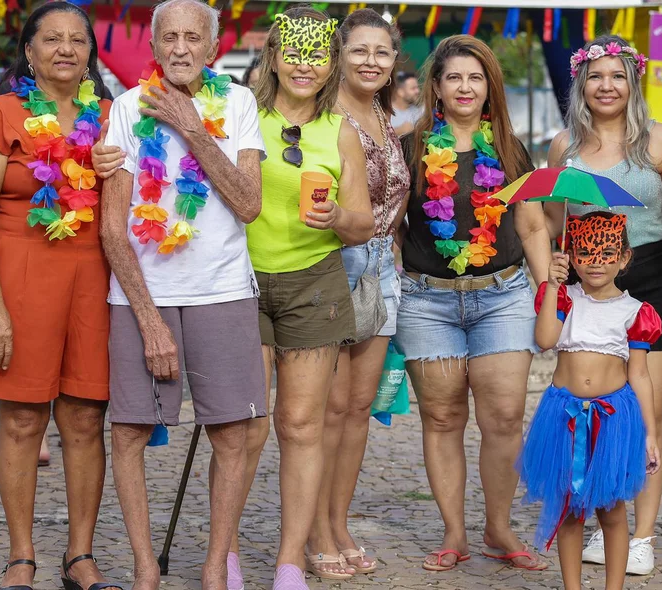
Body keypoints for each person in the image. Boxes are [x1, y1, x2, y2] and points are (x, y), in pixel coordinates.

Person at [96, 2, 267, 590]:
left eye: (193, 37)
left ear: (213, 48)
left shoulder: (239, 104)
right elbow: (113, 228)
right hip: (141, 296)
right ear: (154, 43)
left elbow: (248, 203)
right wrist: (149, 321)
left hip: (223, 290)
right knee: (129, 431)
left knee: (233, 432)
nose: (180, 48)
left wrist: (194, 127)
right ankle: (147, 568)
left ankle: (216, 566)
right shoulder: (124, 109)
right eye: (168, 37)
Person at [0, 3, 123, 589]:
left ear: (90, 55)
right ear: (28, 51)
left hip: (93, 285)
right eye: (51, 39)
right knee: (23, 421)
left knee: (83, 419)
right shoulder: (1, 114)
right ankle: (21, 557)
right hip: (19, 281)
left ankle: (80, 556)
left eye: (78, 41)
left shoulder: (111, 117)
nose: (66, 50)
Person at [396, 34, 551, 573]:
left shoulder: (509, 149)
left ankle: (498, 527)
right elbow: (393, 225)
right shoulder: (411, 148)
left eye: (476, 77)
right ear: (436, 87)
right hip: (427, 301)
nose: (465, 86)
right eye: (454, 77)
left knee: (505, 415)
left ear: (490, 89)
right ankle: (454, 532)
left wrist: (546, 287)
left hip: (503, 296)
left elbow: (531, 223)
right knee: (442, 417)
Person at [542, 34, 662, 575]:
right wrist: (552, 268)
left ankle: (641, 534)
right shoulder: (565, 147)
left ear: (633, 83)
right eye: (597, 76)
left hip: (652, 275)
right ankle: (593, 504)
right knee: (589, 405)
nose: (607, 85)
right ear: (582, 83)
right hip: (588, 279)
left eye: (617, 75)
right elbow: (556, 224)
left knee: (645, 402)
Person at [247, 7, 373, 589]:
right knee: (244, 424)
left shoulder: (340, 130)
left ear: (331, 62)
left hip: (313, 281)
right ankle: (223, 551)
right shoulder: (242, 115)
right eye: (293, 53)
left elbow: (363, 224)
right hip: (240, 282)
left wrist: (337, 215)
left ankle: (289, 560)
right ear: (273, 55)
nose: (304, 65)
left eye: (317, 54)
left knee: (301, 424)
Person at [305, 8, 411, 578]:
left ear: (394, 61)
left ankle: (338, 520)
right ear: (340, 55)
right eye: (360, 51)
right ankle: (314, 529)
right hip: (330, 265)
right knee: (323, 410)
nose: (372, 61)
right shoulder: (324, 114)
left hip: (381, 268)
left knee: (355, 410)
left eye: (383, 52)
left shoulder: (384, 115)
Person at [520, 211, 661, 590]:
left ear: (623, 258)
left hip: (613, 419)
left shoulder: (635, 312)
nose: (596, 262)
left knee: (612, 509)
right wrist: (551, 283)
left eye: (606, 253)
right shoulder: (565, 298)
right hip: (563, 415)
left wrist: (649, 434)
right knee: (569, 509)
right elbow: (546, 340)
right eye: (585, 253)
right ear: (572, 255)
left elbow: (641, 374)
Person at [389, 70, 420, 136]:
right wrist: (399, 131)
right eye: (413, 88)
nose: (418, 91)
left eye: (417, 87)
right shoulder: (386, 113)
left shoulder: (421, 111)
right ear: (400, 92)